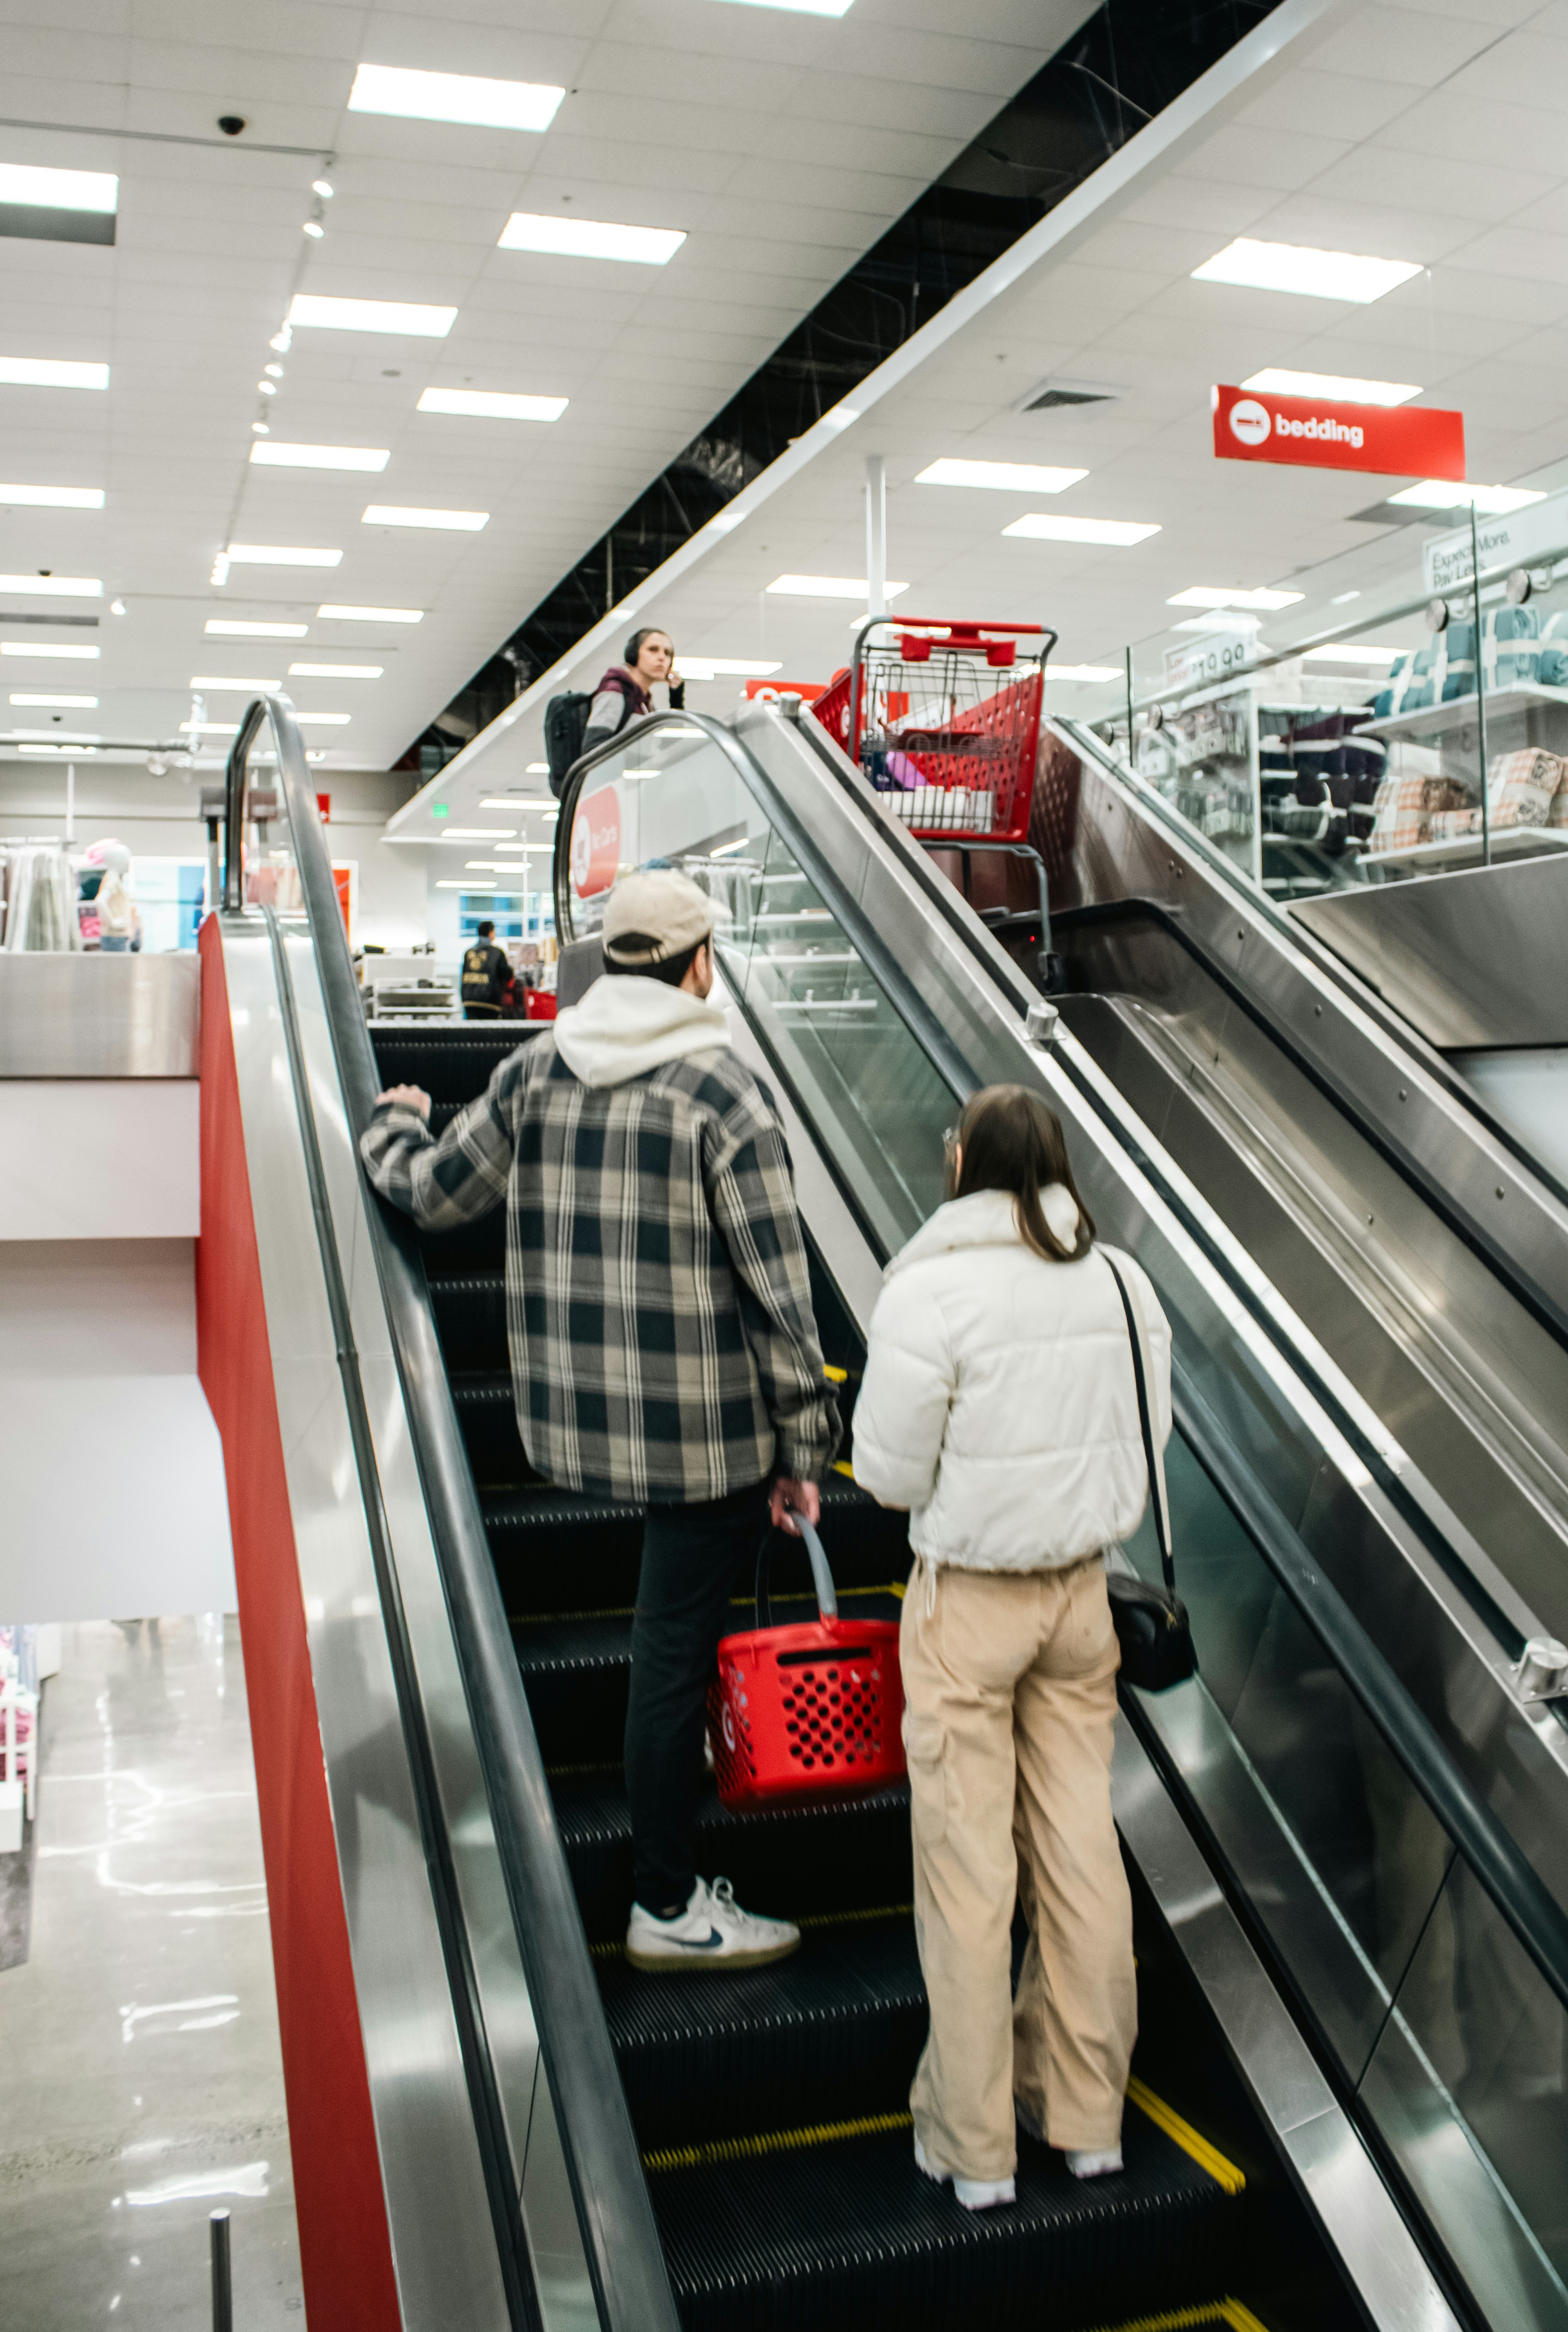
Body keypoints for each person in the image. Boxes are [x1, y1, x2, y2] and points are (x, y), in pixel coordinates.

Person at [360, 867, 839, 1973]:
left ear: (608, 960)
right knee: (669, 1656)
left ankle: (666, 1887)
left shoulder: (536, 1066)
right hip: (706, 1440)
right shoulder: (725, 1091)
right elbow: (778, 1295)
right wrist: (803, 1452)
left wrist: (393, 1122)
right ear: (700, 963)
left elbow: (433, 1193)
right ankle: (665, 1900)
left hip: (570, 1426)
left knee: (659, 1649)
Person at [852, 1086, 1171, 2212]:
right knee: (1082, 1853)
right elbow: (1150, 1431)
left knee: (968, 1870)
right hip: (1080, 1601)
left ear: (960, 1163)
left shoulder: (928, 1289)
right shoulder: (1123, 1280)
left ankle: (973, 2143)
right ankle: (1087, 2123)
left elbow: (887, 1472)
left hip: (970, 1607)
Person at [581, 627, 684, 757]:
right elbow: (593, 749)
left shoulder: (646, 703)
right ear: (633, 654)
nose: (662, 657)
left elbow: (670, 750)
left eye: (668, 653)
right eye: (653, 650)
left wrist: (676, 698)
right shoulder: (615, 691)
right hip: (618, 777)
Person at [460, 919, 510, 1018]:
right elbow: (506, 974)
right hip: (489, 1001)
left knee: (473, 1031)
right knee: (488, 1032)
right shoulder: (497, 953)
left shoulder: (468, 953)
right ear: (491, 934)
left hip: (469, 1000)